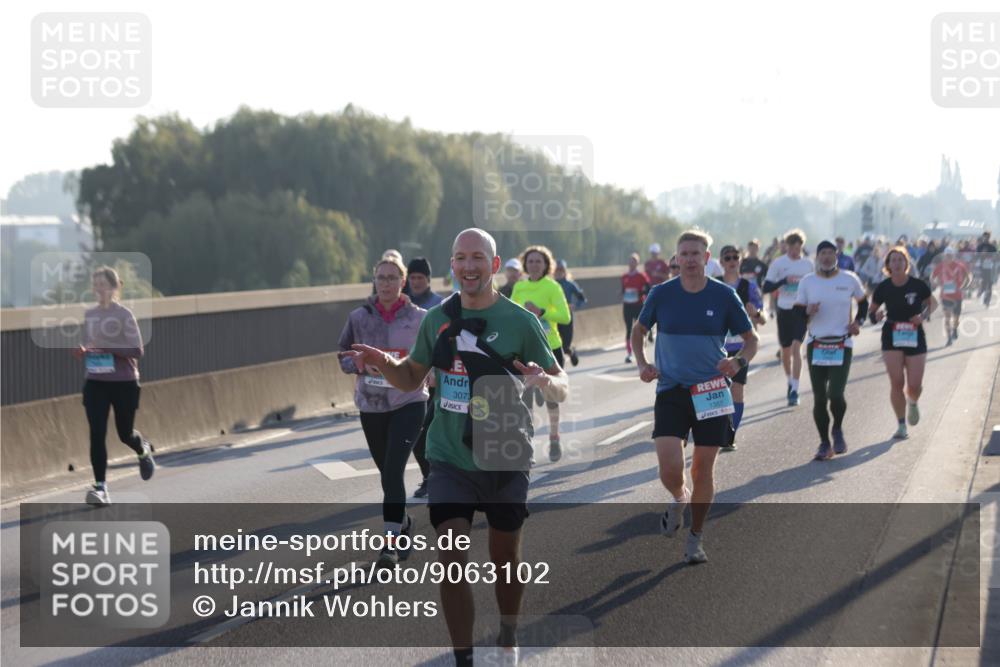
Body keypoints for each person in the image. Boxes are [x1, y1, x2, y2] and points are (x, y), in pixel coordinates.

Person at [343, 228, 568, 666]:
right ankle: (463, 657)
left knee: (504, 558)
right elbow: (411, 378)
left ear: (495, 265)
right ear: (453, 265)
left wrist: (546, 382)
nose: (468, 266)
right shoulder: (436, 320)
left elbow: (561, 383)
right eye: (461, 257)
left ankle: (507, 635)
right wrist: (384, 363)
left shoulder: (521, 322)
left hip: (505, 446)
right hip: (448, 452)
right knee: (451, 555)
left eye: (477, 258)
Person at [632, 230, 757, 564]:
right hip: (672, 389)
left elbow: (751, 338)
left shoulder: (724, 295)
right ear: (676, 258)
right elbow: (638, 331)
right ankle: (678, 498)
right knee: (670, 466)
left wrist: (737, 361)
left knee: (703, 469)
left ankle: (695, 538)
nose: (689, 259)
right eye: (683, 254)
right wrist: (643, 363)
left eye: (695, 253)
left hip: (712, 391)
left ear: (707, 256)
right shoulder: (661, 294)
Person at [338, 257, 428, 567]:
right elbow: (343, 356)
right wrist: (355, 364)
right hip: (372, 405)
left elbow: (432, 356)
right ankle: (402, 521)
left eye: (392, 278)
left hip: (410, 402)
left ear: (403, 282)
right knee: (386, 474)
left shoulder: (419, 318)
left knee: (393, 471)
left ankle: (389, 545)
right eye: (381, 278)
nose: (386, 283)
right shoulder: (359, 318)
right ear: (374, 281)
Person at [72, 266, 155, 507]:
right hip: (96, 382)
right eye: (96, 285)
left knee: (124, 434)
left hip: (124, 382)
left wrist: (110, 348)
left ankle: (143, 450)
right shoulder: (90, 315)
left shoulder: (124, 315)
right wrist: (83, 350)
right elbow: (91, 343)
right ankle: (100, 488)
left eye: (103, 285)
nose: (99, 289)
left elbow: (137, 351)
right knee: (97, 434)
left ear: (115, 287)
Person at [795, 241, 868, 460]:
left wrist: (858, 322)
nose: (827, 257)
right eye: (822, 253)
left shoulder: (849, 279)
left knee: (835, 394)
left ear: (837, 256)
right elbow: (798, 313)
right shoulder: (808, 282)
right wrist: (808, 310)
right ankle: (824, 442)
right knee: (819, 398)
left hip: (842, 343)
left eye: (830, 253)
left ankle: (837, 427)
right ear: (817, 257)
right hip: (816, 343)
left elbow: (863, 304)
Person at [512, 246, 572, 462]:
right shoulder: (519, 286)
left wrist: (541, 312)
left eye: (539, 261)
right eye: (530, 261)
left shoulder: (553, 286)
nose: (534, 265)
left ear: (547, 265)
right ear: (525, 265)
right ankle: (526, 442)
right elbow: (511, 313)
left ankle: (554, 436)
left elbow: (565, 317)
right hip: (525, 348)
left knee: (551, 397)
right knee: (523, 398)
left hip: (550, 346)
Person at [870, 246, 936, 440]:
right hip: (891, 334)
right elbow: (872, 313)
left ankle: (913, 403)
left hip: (915, 335)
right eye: (893, 260)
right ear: (888, 265)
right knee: (896, 382)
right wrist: (876, 315)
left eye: (901, 260)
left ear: (906, 263)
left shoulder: (917, 284)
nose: (897, 263)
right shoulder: (883, 287)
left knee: (915, 385)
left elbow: (933, 303)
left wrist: (922, 316)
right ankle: (901, 425)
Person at [718, 245, 766, 452]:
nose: (731, 260)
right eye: (727, 257)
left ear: (740, 260)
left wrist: (755, 314)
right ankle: (717, 429)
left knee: (736, 391)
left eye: (735, 257)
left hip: (742, 347)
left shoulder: (749, 287)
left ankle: (730, 435)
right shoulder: (714, 286)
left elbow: (762, 319)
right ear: (721, 261)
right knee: (719, 393)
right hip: (717, 347)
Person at [403, 257, 443, 498]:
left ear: (428, 279)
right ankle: (430, 476)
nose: (416, 282)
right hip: (411, 377)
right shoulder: (403, 305)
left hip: (437, 379)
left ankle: (443, 477)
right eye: (413, 277)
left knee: (432, 430)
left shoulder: (439, 305)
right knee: (416, 434)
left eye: (420, 278)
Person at [763, 229, 814, 407]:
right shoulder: (779, 263)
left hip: (800, 310)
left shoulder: (808, 264)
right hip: (784, 309)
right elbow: (766, 286)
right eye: (792, 248)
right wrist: (782, 281)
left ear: (802, 247)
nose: (795, 252)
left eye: (798, 249)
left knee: (796, 349)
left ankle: (795, 390)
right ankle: (789, 381)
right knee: (785, 352)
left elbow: (816, 284)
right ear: (786, 247)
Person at [931, 246, 972, 345]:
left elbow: (968, 277)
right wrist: (935, 283)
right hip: (945, 296)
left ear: (953, 256)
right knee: (947, 317)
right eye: (946, 256)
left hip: (957, 295)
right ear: (944, 256)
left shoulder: (960, 266)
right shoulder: (940, 266)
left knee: (956, 317)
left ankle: (955, 329)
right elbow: (932, 277)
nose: (948, 258)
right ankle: (949, 338)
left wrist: (965, 286)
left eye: (950, 256)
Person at [554, 259, 587, 367]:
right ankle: (559, 370)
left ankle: (571, 352)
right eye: (557, 269)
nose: (558, 271)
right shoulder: (550, 285)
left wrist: (575, 305)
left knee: (565, 346)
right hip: (553, 319)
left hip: (567, 317)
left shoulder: (570, 284)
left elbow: (582, 299)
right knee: (556, 346)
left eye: (561, 269)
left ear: (565, 271)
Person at [622, 253, 651, 364]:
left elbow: (648, 288)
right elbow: (623, 289)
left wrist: (641, 293)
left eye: (634, 260)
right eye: (630, 260)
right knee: (628, 329)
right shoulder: (624, 277)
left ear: (637, 263)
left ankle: (642, 352)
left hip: (638, 305)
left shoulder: (642, 276)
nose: (632, 262)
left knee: (640, 329)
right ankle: (629, 354)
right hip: (627, 306)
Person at [977, 231, 997, 307]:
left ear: (989, 237)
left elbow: (996, 257)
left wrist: (991, 257)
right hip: (982, 268)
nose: (986, 238)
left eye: (987, 236)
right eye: (985, 236)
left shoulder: (992, 247)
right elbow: (976, 256)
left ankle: (987, 300)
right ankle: (981, 293)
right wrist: (981, 255)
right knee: (984, 283)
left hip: (990, 268)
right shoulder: (980, 246)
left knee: (990, 285)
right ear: (983, 237)